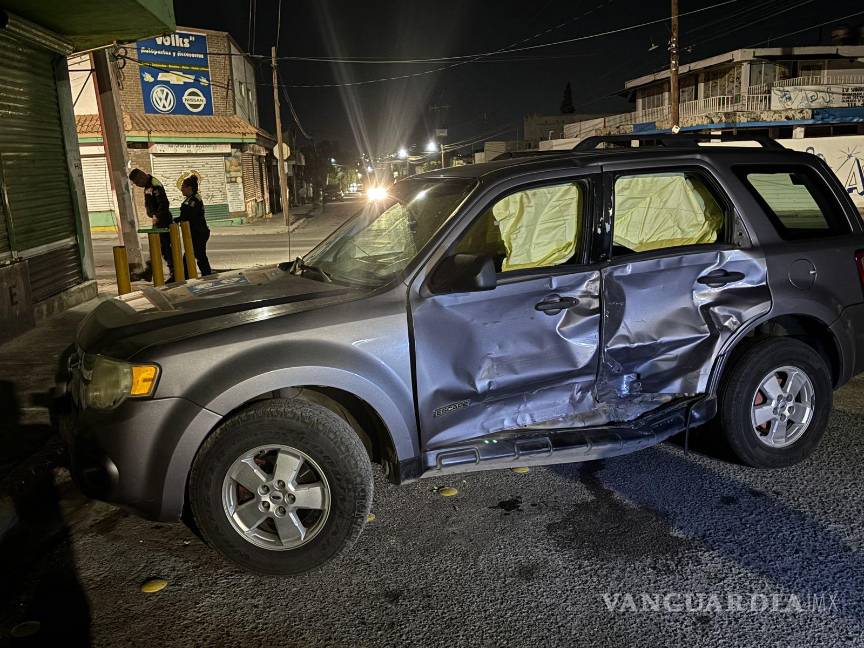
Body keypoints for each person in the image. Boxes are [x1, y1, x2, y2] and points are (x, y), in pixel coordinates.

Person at [129, 168, 176, 281]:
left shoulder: (155, 184)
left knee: (165, 249)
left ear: (141, 176)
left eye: (137, 182)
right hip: (157, 221)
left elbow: (164, 203)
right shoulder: (148, 186)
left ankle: (174, 272)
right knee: (155, 247)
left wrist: (157, 216)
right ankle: (149, 272)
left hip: (163, 220)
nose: (138, 185)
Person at [176, 175, 212, 276]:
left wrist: (177, 220)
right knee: (195, 255)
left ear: (189, 188)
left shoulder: (194, 199)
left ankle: (205, 275)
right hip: (194, 232)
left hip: (199, 232)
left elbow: (189, 215)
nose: (181, 189)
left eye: (183, 186)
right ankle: (203, 274)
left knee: (196, 255)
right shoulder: (189, 199)